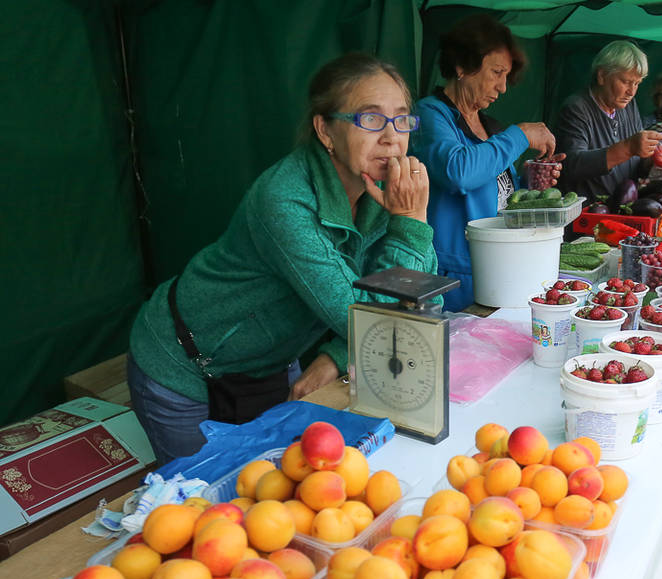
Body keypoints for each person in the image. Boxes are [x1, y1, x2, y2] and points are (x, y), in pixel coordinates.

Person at [127, 53, 438, 464]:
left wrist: (334, 356)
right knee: (204, 502)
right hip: (182, 366)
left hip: (271, 363)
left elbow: (422, 304)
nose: (392, 136)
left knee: (279, 490)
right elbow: (362, 318)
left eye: (402, 119)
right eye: (370, 119)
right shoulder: (284, 200)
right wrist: (412, 224)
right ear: (325, 130)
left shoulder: (383, 192)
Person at [413, 14, 560, 312]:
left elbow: (495, 190)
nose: (503, 87)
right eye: (496, 73)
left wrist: (533, 180)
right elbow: (459, 172)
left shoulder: (489, 126)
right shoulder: (429, 115)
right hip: (454, 281)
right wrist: (520, 135)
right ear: (462, 66)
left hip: (499, 270)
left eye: (506, 76)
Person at [555, 41, 662, 203]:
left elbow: (637, 162)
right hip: (588, 216)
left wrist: (655, 160)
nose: (632, 92)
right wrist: (628, 148)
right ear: (602, 76)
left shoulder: (628, 105)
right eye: (626, 82)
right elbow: (572, 165)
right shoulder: (576, 108)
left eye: (637, 84)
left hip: (622, 210)